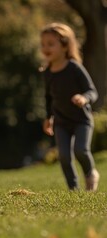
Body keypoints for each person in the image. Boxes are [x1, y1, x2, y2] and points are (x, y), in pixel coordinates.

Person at [41, 22, 99, 191]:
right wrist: (48, 118)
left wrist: (84, 98)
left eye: (51, 44)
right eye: (43, 44)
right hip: (61, 121)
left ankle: (90, 173)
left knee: (80, 150)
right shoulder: (47, 72)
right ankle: (73, 189)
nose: (46, 48)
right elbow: (48, 97)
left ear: (65, 45)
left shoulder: (74, 68)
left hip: (81, 120)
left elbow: (92, 91)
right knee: (65, 156)